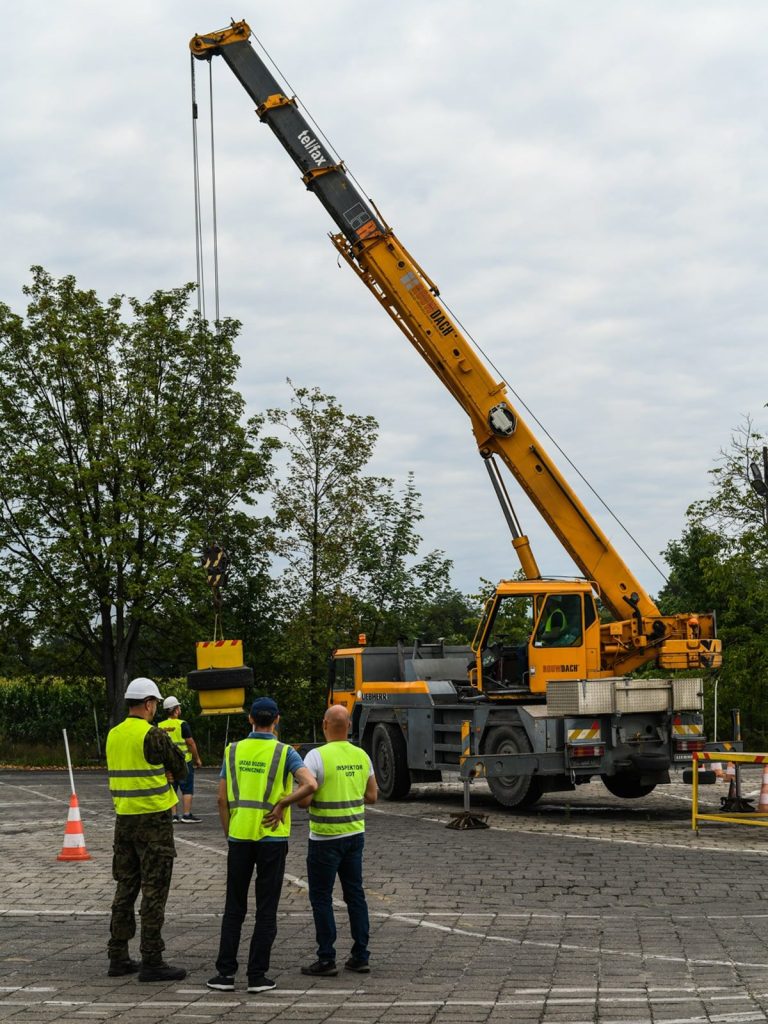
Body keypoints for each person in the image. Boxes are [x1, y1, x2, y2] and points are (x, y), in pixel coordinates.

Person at [207, 696, 317, 995]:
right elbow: (310, 785)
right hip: (272, 837)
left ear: (250, 720)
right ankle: (257, 976)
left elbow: (221, 799)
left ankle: (225, 974)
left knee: (234, 907)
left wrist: (231, 832)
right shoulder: (285, 753)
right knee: (266, 909)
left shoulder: (232, 751)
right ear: (277, 720)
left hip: (239, 837)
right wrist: (283, 802)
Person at [106, 677, 188, 982]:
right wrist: (167, 772)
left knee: (125, 888)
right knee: (154, 891)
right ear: (150, 704)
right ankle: (152, 959)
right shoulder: (152, 734)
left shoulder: (113, 735)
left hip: (123, 820)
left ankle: (118, 955)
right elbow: (180, 767)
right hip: (153, 822)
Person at [298, 704, 378, 977]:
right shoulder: (362, 756)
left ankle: (326, 958)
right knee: (355, 895)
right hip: (354, 835)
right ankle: (360, 955)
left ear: (324, 725)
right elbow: (372, 796)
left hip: (324, 837)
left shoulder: (315, 757)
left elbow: (305, 798)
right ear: (349, 728)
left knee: (321, 897)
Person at [158, 696, 203, 823]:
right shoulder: (182, 724)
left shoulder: (160, 725)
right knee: (187, 788)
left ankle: (173, 815)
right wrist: (197, 759)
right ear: (176, 710)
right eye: (179, 707)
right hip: (184, 762)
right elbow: (191, 743)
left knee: (171, 788)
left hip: (167, 763)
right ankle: (187, 814)